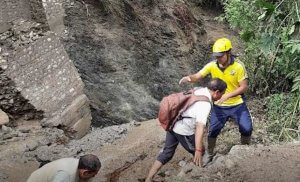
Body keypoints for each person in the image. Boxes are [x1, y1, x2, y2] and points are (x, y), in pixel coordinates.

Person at [179, 37, 253, 165]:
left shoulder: (239, 66)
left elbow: (244, 87)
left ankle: (244, 150)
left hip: (237, 104)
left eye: (221, 56)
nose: (218, 58)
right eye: (216, 56)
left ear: (228, 53)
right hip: (219, 106)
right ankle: (210, 153)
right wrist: (189, 78)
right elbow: (198, 76)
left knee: (246, 128)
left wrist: (227, 95)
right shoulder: (212, 66)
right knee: (213, 130)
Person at [145, 78, 227, 182]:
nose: (221, 97)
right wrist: (198, 150)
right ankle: (198, 175)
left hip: (174, 124)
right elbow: (199, 127)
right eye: (221, 94)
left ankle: (148, 179)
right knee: (200, 153)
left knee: (167, 152)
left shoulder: (199, 90)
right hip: (184, 131)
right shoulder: (205, 104)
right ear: (216, 92)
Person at [27, 154, 101, 182]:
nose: (93, 177)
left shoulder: (82, 166)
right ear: (85, 172)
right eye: (93, 175)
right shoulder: (65, 175)